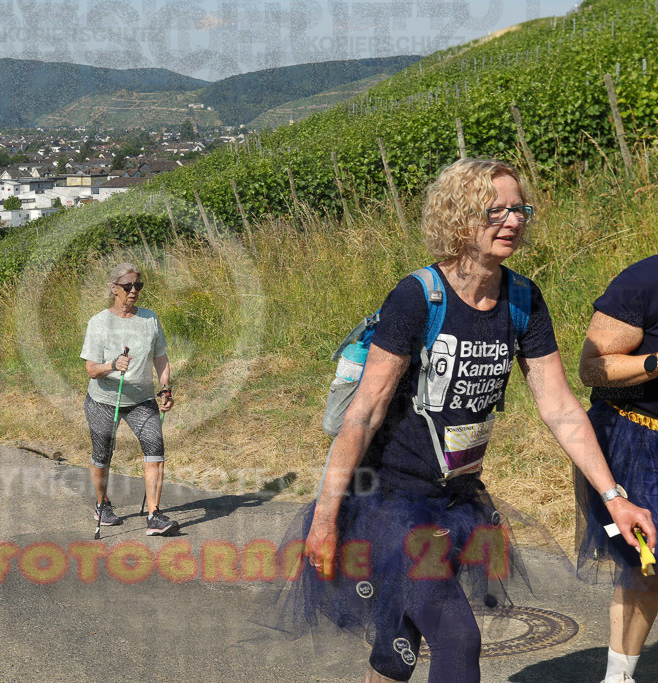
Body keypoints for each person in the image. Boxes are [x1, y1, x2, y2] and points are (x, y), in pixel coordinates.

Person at [270, 158, 655, 683]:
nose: (513, 220)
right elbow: (364, 412)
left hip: (455, 499)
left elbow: (561, 408)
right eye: (494, 210)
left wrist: (616, 497)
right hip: (386, 498)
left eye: (519, 208)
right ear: (458, 218)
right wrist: (325, 517)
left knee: (397, 645)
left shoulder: (523, 299)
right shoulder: (417, 297)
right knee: (456, 637)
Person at [577, 254, 658, 683]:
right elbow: (591, 369)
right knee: (646, 565)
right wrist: (654, 362)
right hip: (637, 443)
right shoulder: (643, 282)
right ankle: (618, 677)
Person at [80, 263, 177, 536]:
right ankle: (102, 504)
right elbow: (91, 369)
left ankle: (154, 515)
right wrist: (112, 364)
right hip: (103, 399)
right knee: (102, 455)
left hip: (141, 399)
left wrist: (165, 388)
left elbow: (160, 357)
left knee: (155, 450)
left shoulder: (149, 319)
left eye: (138, 286)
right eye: (127, 286)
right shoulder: (99, 322)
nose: (134, 291)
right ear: (114, 289)